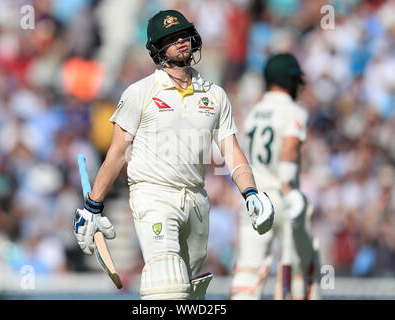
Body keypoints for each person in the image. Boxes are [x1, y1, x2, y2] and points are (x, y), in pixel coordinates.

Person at [72, 9, 274, 300]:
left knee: (190, 293)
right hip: (153, 195)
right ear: (157, 48)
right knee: (167, 284)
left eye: (184, 35)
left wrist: (252, 192)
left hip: (196, 199)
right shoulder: (140, 92)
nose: (181, 42)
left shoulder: (214, 95)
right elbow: (117, 153)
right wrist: (93, 206)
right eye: (171, 38)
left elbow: (232, 151)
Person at [230, 53, 321, 300]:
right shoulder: (293, 111)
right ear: (290, 80)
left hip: (256, 199)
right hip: (282, 195)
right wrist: (290, 191)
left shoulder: (254, 112)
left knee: (248, 271)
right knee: (300, 267)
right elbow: (289, 149)